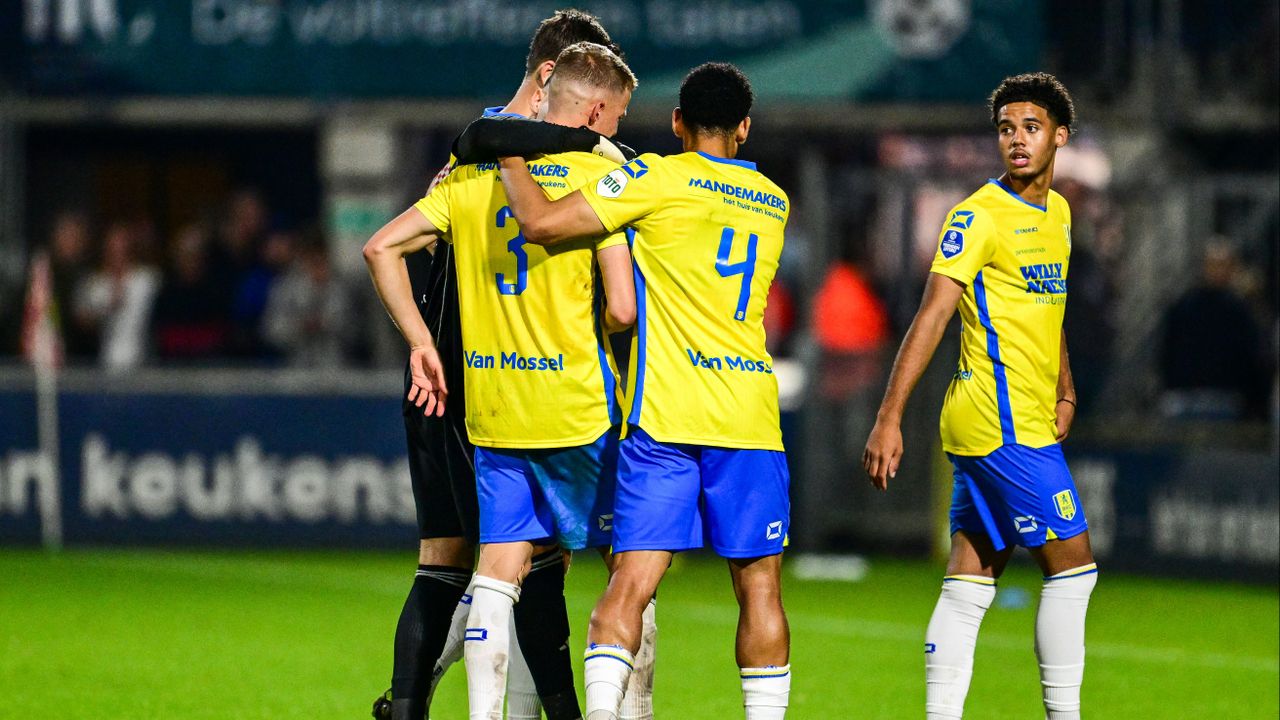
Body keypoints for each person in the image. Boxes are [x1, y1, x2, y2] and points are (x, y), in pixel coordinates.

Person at [493, 62, 793, 720]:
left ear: (678, 122)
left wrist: (509, 154)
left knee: (629, 583)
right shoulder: (774, 202)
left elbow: (541, 224)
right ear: (745, 126)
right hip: (748, 416)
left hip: (665, 415)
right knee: (761, 588)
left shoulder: (655, 176)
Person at [365, 41, 647, 720]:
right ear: (599, 108)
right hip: (577, 406)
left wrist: (421, 343)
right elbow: (620, 307)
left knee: (495, 572)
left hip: (488, 404)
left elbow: (379, 247)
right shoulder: (598, 182)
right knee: (630, 574)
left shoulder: (467, 175)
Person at [862, 72, 1096, 720]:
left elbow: (1046, 309)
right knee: (1075, 569)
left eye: (1030, 127)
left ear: (1059, 136)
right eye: (1005, 129)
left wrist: (1065, 383)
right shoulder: (978, 215)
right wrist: (889, 417)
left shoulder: (1059, 212)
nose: (1017, 141)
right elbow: (934, 314)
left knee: (973, 575)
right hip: (1001, 421)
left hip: (1017, 414)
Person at [1159, 239, 1268, 420]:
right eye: (1213, 265)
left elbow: (1251, 358)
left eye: (1223, 265)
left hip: (1223, 398)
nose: (1218, 270)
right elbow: (1168, 352)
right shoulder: (1184, 307)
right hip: (1187, 399)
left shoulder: (1238, 310)